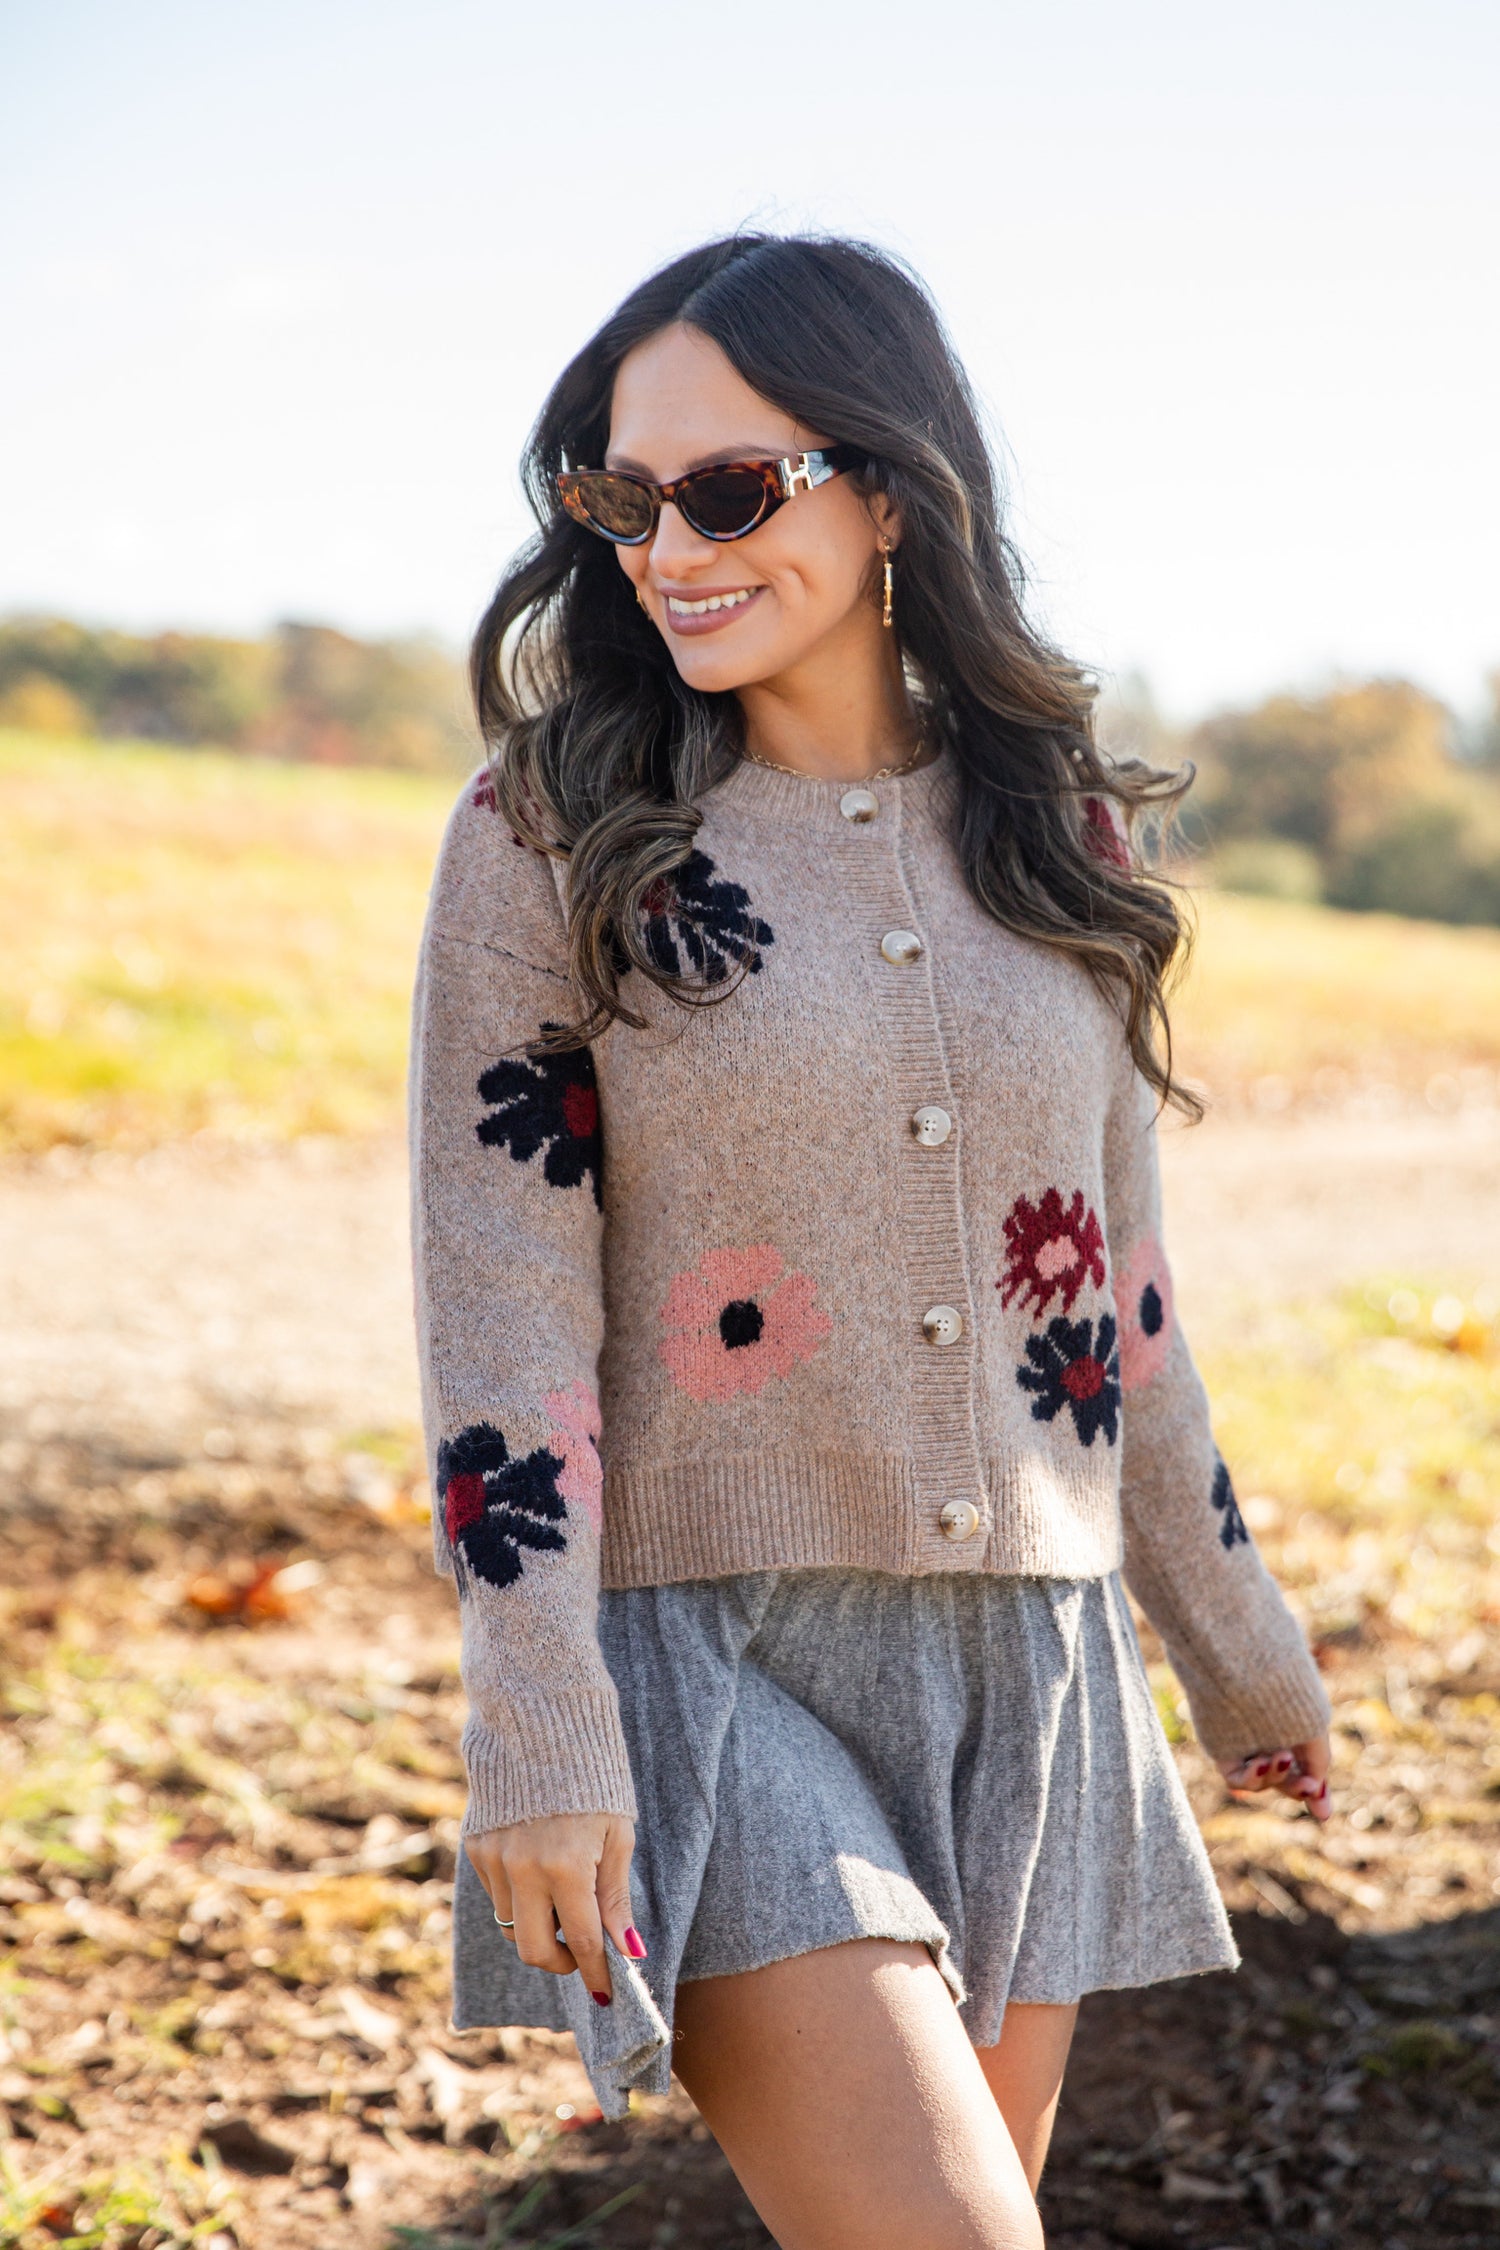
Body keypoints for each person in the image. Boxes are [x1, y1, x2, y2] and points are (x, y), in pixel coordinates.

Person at [409, 233, 1332, 2250]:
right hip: (707, 1659)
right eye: (623, 496)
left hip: (1029, 1663)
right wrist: (538, 1717)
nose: (671, 550)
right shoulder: (550, 831)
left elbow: (1114, 1295)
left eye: (731, 490)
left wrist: (1239, 1640)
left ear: (891, 491)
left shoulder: (1057, 830)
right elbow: (502, 1307)